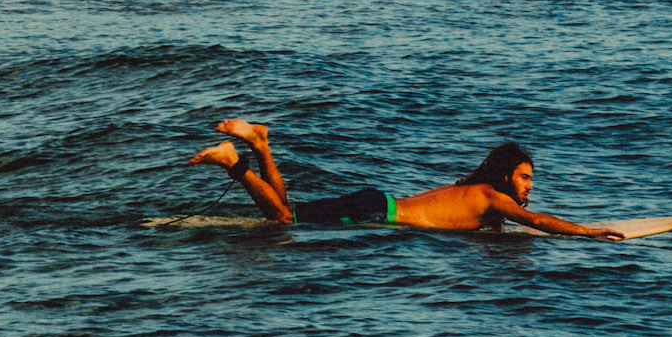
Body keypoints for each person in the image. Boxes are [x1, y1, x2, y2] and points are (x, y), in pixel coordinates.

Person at [189, 121, 623, 238]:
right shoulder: (493, 197)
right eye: (525, 178)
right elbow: (540, 221)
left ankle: (262, 145)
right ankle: (234, 162)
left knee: (289, 214)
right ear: (507, 176)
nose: (530, 187)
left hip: (379, 202)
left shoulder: (476, 192)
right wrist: (588, 232)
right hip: (378, 211)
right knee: (283, 221)